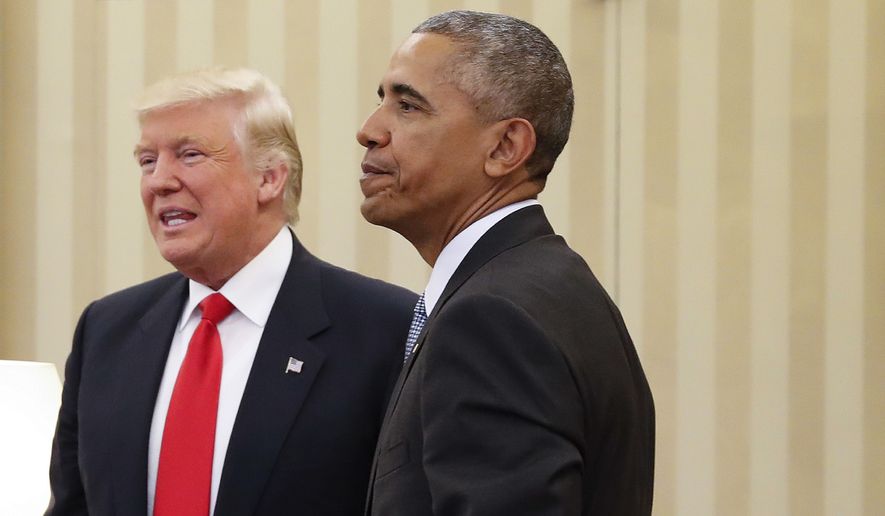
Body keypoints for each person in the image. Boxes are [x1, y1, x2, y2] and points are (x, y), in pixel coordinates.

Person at [46, 67, 416, 516]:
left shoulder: (388, 329)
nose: (159, 181)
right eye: (147, 161)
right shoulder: (106, 330)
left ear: (269, 179)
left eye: (190, 155)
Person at [357, 10, 655, 516]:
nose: (369, 131)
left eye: (408, 105)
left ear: (505, 147)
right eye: (381, 101)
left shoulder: (492, 319)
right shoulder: (548, 289)